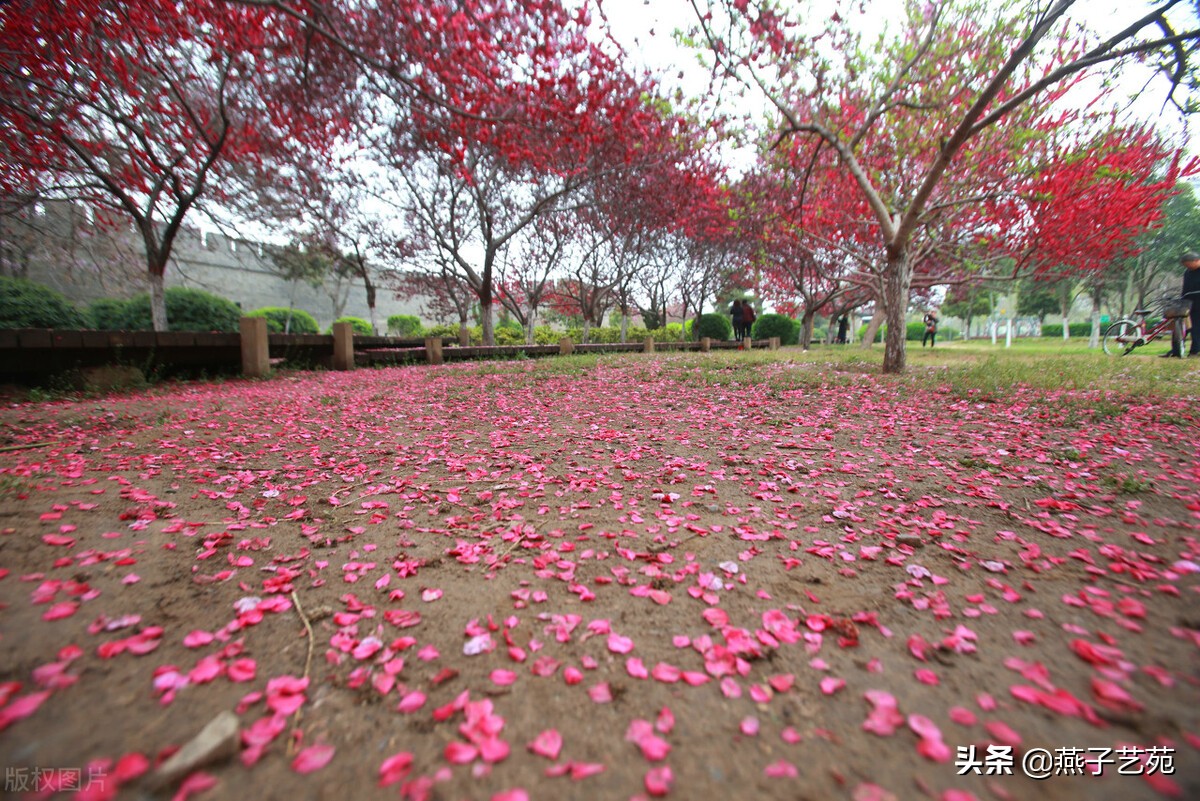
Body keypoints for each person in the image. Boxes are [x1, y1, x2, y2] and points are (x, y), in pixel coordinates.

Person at [1163, 251, 1200, 357]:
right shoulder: (1188, 272)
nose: (1187, 267)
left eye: (1189, 264)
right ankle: (1176, 350)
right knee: (1179, 326)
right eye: (1185, 265)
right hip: (1188, 302)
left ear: (1197, 261)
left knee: (1196, 327)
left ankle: (1195, 350)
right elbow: (1185, 288)